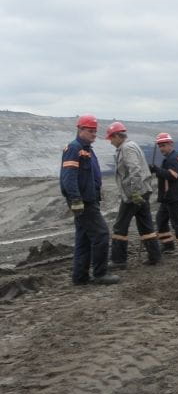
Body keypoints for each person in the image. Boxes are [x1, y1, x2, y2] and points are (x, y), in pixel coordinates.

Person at [60, 114, 120, 285]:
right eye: (90, 131)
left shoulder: (86, 149)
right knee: (101, 234)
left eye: (95, 131)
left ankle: (80, 277)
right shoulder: (74, 148)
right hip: (83, 201)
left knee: (84, 238)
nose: (94, 134)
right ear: (80, 129)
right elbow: (69, 177)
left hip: (89, 199)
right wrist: (76, 199)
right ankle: (100, 274)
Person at [106, 122, 162, 268]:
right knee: (145, 224)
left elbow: (135, 170)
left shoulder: (127, 148)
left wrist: (135, 192)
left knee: (120, 226)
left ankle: (118, 260)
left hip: (134, 194)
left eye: (111, 138)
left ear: (117, 135)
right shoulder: (130, 145)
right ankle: (155, 256)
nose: (110, 141)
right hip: (142, 191)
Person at [149, 133, 178, 255]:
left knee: (177, 222)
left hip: (174, 196)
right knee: (161, 219)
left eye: (163, 145)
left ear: (171, 144)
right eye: (160, 146)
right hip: (168, 197)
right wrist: (157, 170)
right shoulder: (170, 157)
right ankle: (168, 245)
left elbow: (173, 175)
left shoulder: (173, 158)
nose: (161, 149)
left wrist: (156, 170)